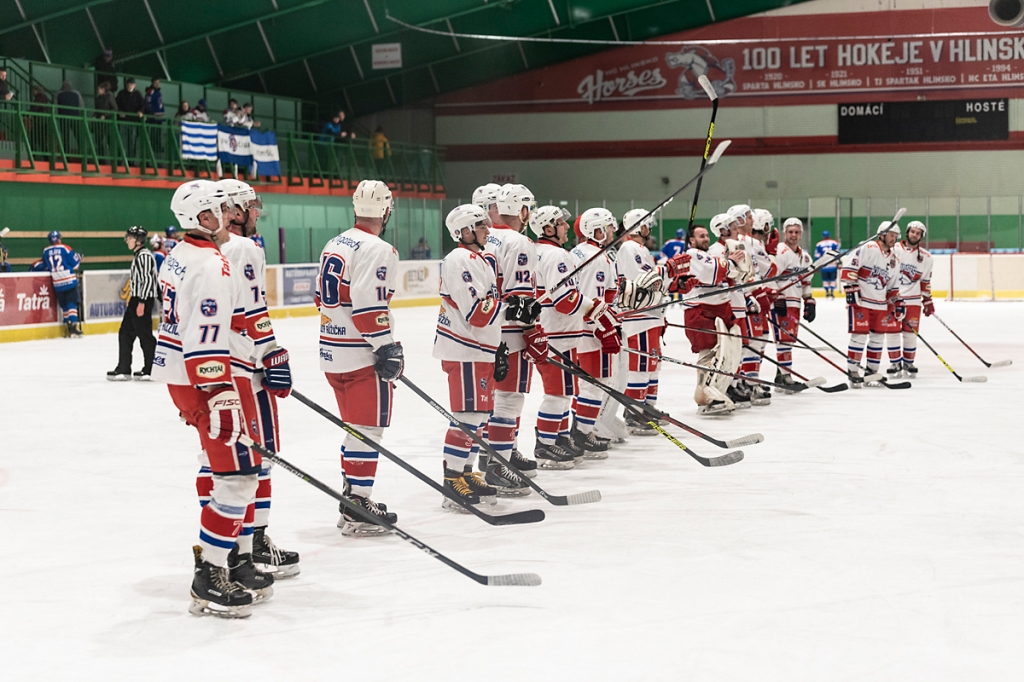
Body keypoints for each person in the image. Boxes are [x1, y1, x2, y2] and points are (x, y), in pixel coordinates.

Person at [153, 180, 271, 618]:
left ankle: (225, 563)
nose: (228, 213)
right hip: (204, 381)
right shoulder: (211, 264)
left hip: (180, 378)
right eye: (220, 208)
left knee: (227, 469)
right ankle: (212, 573)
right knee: (239, 477)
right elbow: (204, 337)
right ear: (204, 217)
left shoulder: (178, 255)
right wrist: (222, 393)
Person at [215, 179, 299, 577]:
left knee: (222, 458)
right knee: (259, 453)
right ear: (232, 210)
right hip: (245, 364)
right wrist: (270, 352)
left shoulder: (201, 248)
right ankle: (254, 541)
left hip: (213, 365)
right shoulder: (244, 246)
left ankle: (229, 541)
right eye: (252, 205)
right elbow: (253, 310)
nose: (257, 212)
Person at [316, 179, 403, 536]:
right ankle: (358, 506)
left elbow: (322, 300)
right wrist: (385, 346)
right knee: (368, 431)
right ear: (385, 210)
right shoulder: (379, 249)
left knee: (355, 431)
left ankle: (353, 497)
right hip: (361, 356)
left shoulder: (335, 242)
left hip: (331, 352)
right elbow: (369, 307)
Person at [433, 205, 530, 505]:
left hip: (478, 349)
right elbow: (477, 312)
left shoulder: (478, 259)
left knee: (477, 416)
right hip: (464, 349)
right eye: (481, 225)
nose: (488, 230)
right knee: (467, 415)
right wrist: (511, 309)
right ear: (464, 231)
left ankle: (464, 472)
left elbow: (488, 306)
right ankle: (452, 479)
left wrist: (499, 338)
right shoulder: (460, 259)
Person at [531, 205, 615, 464]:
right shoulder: (557, 255)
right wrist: (595, 309)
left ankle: (559, 437)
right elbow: (565, 301)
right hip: (558, 334)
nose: (568, 227)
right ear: (547, 228)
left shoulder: (538, 252)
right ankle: (545, 444)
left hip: (551, 331)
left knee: (563, 392)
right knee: (558, 394)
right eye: (561, 223)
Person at [482, 184, 555, 471]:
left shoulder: (485, 237)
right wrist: (532, 330)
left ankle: (493, 455)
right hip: (510, 334)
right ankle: (499, 466)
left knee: (491, 399)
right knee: (509, 400)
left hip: (485, 330)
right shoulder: (519, 242)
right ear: (523, 210)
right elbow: (520, 299)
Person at [568, 207, 622, 453]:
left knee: (586, 384)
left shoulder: (581, 252)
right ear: (596, 230)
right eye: (609, 227)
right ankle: (582, 433)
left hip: (578, 330)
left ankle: (579, 430)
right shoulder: (596, 257)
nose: (612, 231)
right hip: (590, 332)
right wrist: (603, 327)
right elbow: (591, 299)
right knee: (594, 384)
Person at [677, 224, 744, 414]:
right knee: (707, 356)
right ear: (691, 240)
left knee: (722, 357)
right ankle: (706, 397)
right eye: (701, 236)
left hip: (717, 310)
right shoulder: (692, 254)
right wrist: (730, 263)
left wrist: (730, 266)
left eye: (706, 235)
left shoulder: (709, 256)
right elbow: (712, 273)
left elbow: (729, 272)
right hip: (700, 312)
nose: (705, 239)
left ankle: (716, 393)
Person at [615, 208, 667, 434]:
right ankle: (635, 412)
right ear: (639, 226)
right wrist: (669, 270)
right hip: (639, 317)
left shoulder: (641, 249)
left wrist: (675, 281)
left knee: (653, 365)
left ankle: (648, 407)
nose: (650, 229)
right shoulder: (629, 247)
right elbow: (644, 281)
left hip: (651, 316)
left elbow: (655, 281)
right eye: (648, 224)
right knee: (641, 366)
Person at [841, 222, 903, 388]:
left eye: (896, 236)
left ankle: (872, 371)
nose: (894, 238)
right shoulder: (868, 247)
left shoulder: (894, 260)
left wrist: (897, 302)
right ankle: (853, 371)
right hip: (861, 302)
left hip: (880, 305)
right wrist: (851, 290)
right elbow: (848, 268)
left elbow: (892, 287)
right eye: (891, 235)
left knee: (877, 339)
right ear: (881, 234)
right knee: (859, 337)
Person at [108, 226, 158, 381]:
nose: (127, 241)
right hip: (137, 299)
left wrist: (142, 302)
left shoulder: (144, 256)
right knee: (125, 333)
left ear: (138, 240)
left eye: (130, 238)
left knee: (145, 335)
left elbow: (147, 280)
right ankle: (124, 367)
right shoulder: (139, 255)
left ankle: (151, 368)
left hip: (141, 299)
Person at [771, 217, 814, 391]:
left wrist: (809, 301)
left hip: (795, 304)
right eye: (790, 232)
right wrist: (778, 295)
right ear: (784, 233)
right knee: (784, 341)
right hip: (781, 303)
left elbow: (806, 283)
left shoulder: (805, 257)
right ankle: (785, 376)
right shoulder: (780, 251)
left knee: (788, 340)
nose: (793, 235)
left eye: (796, 232)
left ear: (801, 234)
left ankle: (780, 377)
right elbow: (770, 276)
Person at [889, 220, 934, 379]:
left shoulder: (926, 257)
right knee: (892, 332)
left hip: (913, 301)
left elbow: (925, 281)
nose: (914, 235)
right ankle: (895, 363)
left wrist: (928, 300)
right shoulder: (892, 250)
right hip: (893, 299)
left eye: (918, 233)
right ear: (907, 232)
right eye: (912, 231)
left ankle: (908, 362)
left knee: (911, 333)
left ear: (921, 236)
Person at [41, 231, 83, 337]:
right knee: (72, 303)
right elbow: (75, 265)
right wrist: (79, 258)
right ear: (59, 239)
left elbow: (46, 266)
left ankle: (67, 327)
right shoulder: (65, 248)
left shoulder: (45, 251)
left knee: (64, 305)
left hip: (57, 283)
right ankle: (73, 327)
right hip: (69, 280)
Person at [815, 230, 841, 298]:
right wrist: (839, 262)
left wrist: (816, 265)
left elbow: (817, 255)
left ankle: (827, 292)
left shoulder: (819, 244)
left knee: (825, 279)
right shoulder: (834, 243)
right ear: (829, 235)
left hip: (824, 265)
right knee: (833, 279)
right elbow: (837, 253)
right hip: (833, 264)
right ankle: (832, 292)